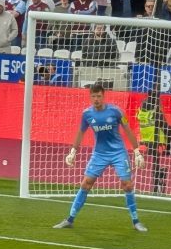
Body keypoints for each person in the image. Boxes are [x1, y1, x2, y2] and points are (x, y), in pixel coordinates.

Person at [54, 82, 148, 232]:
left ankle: (136, 221)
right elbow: (80, 132)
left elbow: (128, 130)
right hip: (99, 154)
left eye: (99, 96)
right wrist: (73, 151)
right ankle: (69, 219)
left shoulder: (116, 111)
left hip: (118, 153)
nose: (96, 99)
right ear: (90, 97)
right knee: (86, 184)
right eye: (93, 96)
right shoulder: (87, 114)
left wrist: (137, 151)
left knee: (127, 185)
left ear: (103, 96)